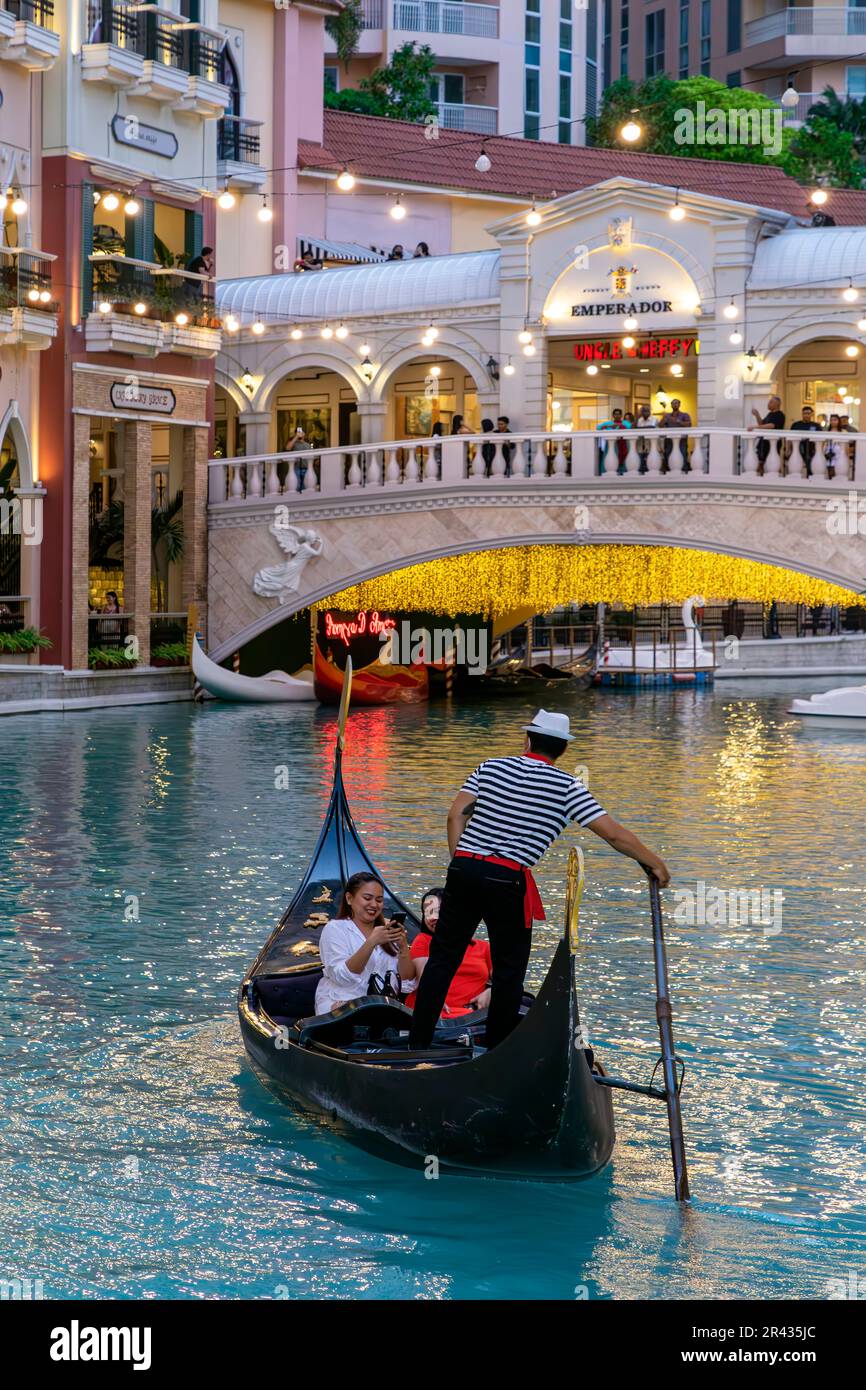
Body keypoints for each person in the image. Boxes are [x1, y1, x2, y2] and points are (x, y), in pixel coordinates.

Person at [408, 708, 670, 1051]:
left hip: (464, 870)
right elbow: (614, 835)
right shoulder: (567, 786)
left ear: (527, 739)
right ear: (562, 750)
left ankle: (417, 1045)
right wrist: (654, 862)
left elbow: (455, 814)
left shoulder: (489, 767)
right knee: (508, 972)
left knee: (443, 959)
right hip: (507, 879)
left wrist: (461, 861)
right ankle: (496, 1052)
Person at [315, 872, 415, 1014]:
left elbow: (407, 983)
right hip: (341, 1005)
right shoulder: (334, 929)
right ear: (349, 898)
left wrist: (403, 948)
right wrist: (371, 942)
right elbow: (342, 977)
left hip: (383, 1007)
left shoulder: (387, 930)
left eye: (379, 900)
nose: (374, 904)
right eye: (367, 898)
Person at [404, 888, 492, 1018]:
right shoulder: (423, 941)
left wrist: (491, 991)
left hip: (474, 1015)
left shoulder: (483, 947)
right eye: (428, 913)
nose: (432, 918)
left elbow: (503, 978)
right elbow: (426, 978)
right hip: (438, 1013)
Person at [747, 394, 785, 470]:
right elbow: (761, 423)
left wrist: (754, 427)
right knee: (760, 461)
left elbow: (772, 425)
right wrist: (757, 414)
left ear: (777, 404)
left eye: (771, 402)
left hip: (772, 443)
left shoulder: (780, 415)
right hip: (763, 442)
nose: (768, 404)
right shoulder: (770, 414)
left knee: (771, 464)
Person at [791, 405, 822, 477]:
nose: (806, 415)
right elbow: (790, 438)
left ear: (811, 414)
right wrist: (789, 449)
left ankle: (810, 480)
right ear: (802, 414)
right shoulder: (796, 425)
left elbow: (820, 439)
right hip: (798, 448)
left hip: (811, 449)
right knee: (796, 467)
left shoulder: (816, 426)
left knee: (811, 467)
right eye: (804, 413)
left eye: (808, 413)